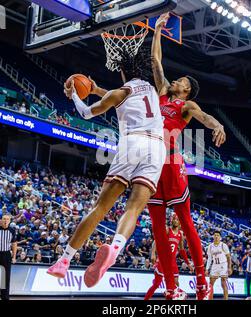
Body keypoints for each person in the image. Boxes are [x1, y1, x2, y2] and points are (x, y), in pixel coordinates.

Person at [47, 47, 166, 289]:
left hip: (132, 141)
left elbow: (88, 112)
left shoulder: (119, 92)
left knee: (101, 207)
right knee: (133, 209)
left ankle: (64, 261)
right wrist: (97, 89)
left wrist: (76, 95)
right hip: (158, 147)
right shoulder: (154, 89)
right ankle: (114, 248)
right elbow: (123, 97)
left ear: (122, 70)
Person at [147, 13, 226, 300]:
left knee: (186, 222)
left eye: (180, 79)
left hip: (172, 161)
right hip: (152, 162)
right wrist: (156, 30)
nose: (175, 80)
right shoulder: (161, 93)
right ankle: (172, 288)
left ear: (187, 89)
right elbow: (155, 62)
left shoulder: (186, 104)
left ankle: (202, 283)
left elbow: (204, 117)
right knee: (157, 227)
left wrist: (217, 125)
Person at [144, 213, 192, 300]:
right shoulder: (167, 230)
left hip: (172, 261)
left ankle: (171, 297)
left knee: (176, 283)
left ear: (180, 222)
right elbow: (156, 240)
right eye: (174, 219)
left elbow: (181, 250)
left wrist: (188, 263)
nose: (175, 221)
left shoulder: (180, 234)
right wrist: (153, 253)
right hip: (163, 260)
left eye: (177, 219)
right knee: (156, 284)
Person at [205, 231, 232, 300]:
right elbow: (209, 259)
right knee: (210, 284)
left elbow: (228, 257)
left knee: (223, 283)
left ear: (220, 237)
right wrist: (207, 269)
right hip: (215, 265)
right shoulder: (210, 246)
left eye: (218, 235)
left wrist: (229, 267)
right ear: (213, 237)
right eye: (215, 235)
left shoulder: (223, 245)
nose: (216, 236)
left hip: (223, 265)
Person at [0, 214, 17, 300]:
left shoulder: (12, 230)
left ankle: (5, 297)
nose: (6, 221)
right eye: (4, 219)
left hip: (6, 255)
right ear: (1, 220)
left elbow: (14, 244)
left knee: (6, 277)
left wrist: (14, 257)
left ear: (10, 221)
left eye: (7, 219)